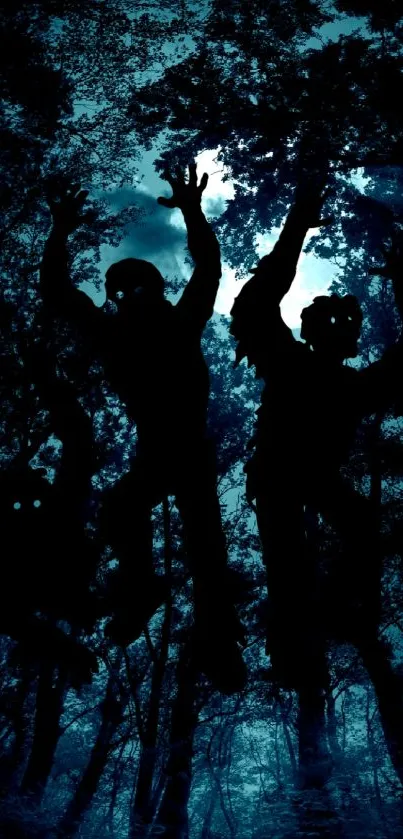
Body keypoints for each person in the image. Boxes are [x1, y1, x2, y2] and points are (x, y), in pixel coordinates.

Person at [40, 164, 246, 694]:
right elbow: (60, 294)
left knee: (201, 546)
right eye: (124, 289)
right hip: (165, 449)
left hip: (183, 449)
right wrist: (60, 231)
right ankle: (149, 596)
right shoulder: (131, 331)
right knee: (140, 517)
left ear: (155, 290)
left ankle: (215, 639)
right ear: (118, 297)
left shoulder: (172, 325)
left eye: (139, 286)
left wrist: (194, 212)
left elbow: (208, 270)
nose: (133, 295)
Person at [230, 177, 403, 687]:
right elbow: (256, 307)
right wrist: (296, 226)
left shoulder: (342, 381)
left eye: (342, 322)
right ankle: (301, 640)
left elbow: (256, 308)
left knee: (346, 537)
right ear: (311, 330)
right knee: (293, 563)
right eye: (325, 320)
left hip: (297, 476)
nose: (334, 328)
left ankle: (326, 618)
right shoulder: (293, 364)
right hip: (283, 476)